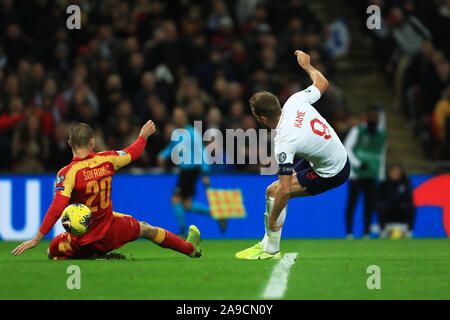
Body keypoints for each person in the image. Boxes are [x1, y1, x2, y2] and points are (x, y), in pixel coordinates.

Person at [11, 120, 201, 260]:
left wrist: (36, 239)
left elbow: (56, 208)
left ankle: (88, 255)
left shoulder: (67, 173)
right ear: (92, 142)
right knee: (146, 229)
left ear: (70, 144)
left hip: (80, 241)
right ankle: (189, 248)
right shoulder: (107, 159)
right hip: (111, 230)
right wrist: (143, 136)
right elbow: (133, 153)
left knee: (51, 252)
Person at [235, 50, 350, 260]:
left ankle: (270, 248)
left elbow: (286, 191)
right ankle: (268, 245)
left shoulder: (284, 142)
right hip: (331, 152)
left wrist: (272, 221)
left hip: (333, 171)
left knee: (275, 193)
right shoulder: (295, 101)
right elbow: (322, 82)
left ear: (261, 118)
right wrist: (307, 66)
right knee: (273, 190)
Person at [158, 107, 227, 237]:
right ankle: (218, 215)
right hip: (185, 171)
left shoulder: (192, 133)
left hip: (191, 171)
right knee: (187, 205)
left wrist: (205, 173)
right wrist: (163, 155)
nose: (177, 118)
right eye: (175, 116)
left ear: (185, 116)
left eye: (180, 115)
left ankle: (183, 231)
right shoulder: (178, 133)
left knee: (175, 200)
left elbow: (201, 152)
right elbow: (172, 148)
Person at [344, 105, 387, 239]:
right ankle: (349, 233)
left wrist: (381, 173)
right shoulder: (358, 130)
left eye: (376, 116)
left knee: (369, 205)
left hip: (371, 175)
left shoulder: (381, 135)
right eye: (372, 116)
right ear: (366, 117)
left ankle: (366, 233)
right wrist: (358, 163)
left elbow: (382, 154)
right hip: (356, 175)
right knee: (352, 203)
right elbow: (347, 147)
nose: (374, 118)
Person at [377, 164, 415, 238]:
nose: (395, 174)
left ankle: (408, 231)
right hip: (388, 207)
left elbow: (409, 198)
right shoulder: (383, 184)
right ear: (389, 173)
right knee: (380, 206)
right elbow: (378, 198)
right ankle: (383, 230)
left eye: (397, 172)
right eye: (393, 172)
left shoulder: (406, 183)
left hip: (401, 207)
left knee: (411, 207)